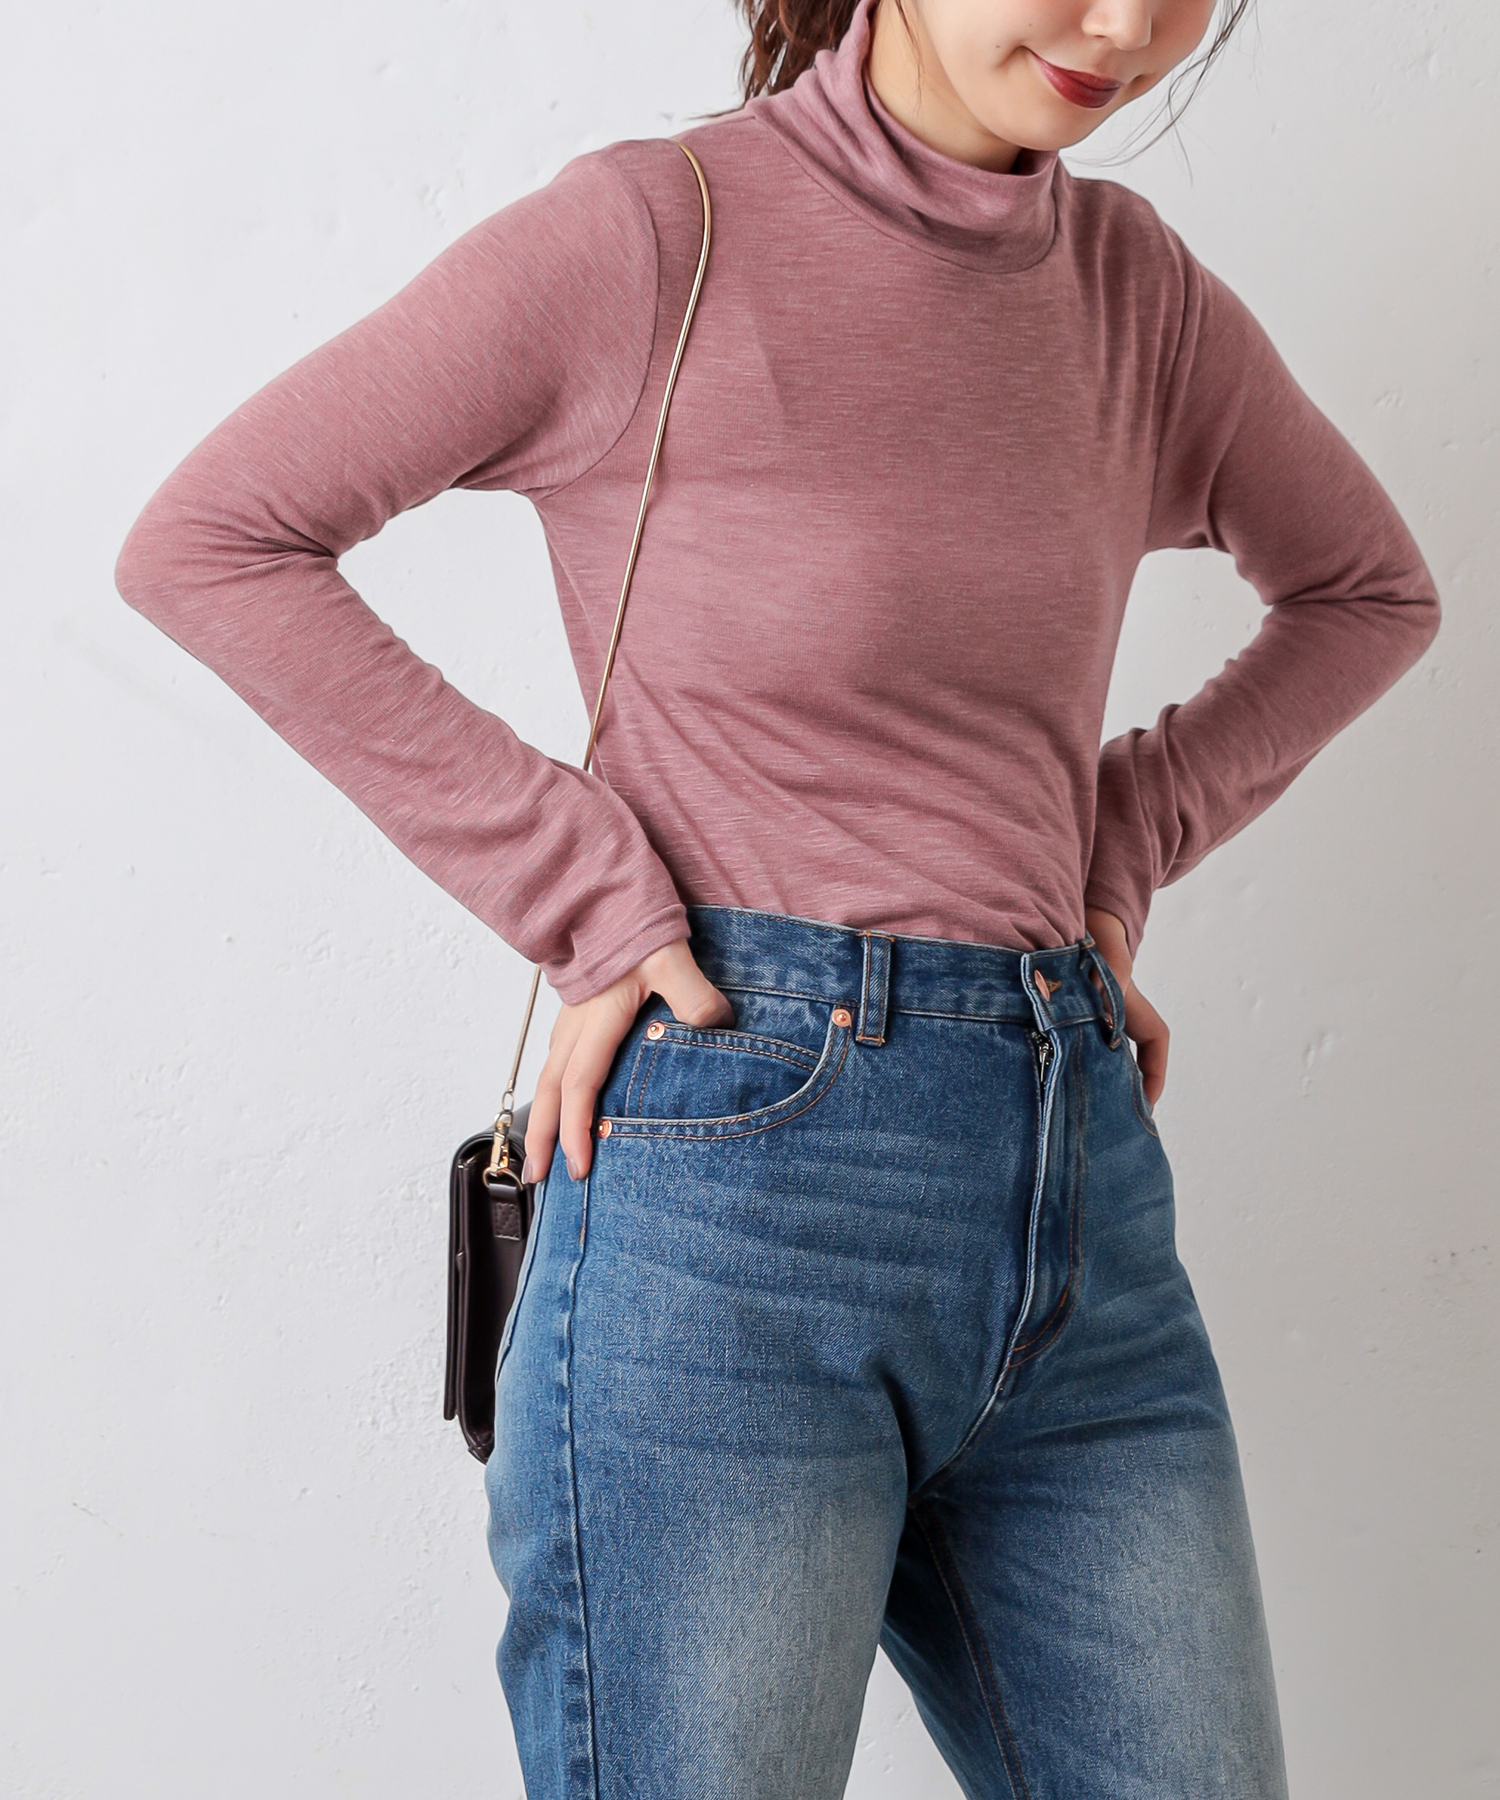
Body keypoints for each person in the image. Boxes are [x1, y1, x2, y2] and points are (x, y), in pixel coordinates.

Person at [113, 0, 1441, 1792]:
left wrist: (1110, 852)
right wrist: (585, 886)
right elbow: (216, 541)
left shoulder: (1135, 291)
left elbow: (1368, 595)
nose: (1128, 25)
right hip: (735, 1201)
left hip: (1080, 1202)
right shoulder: (654, 237)